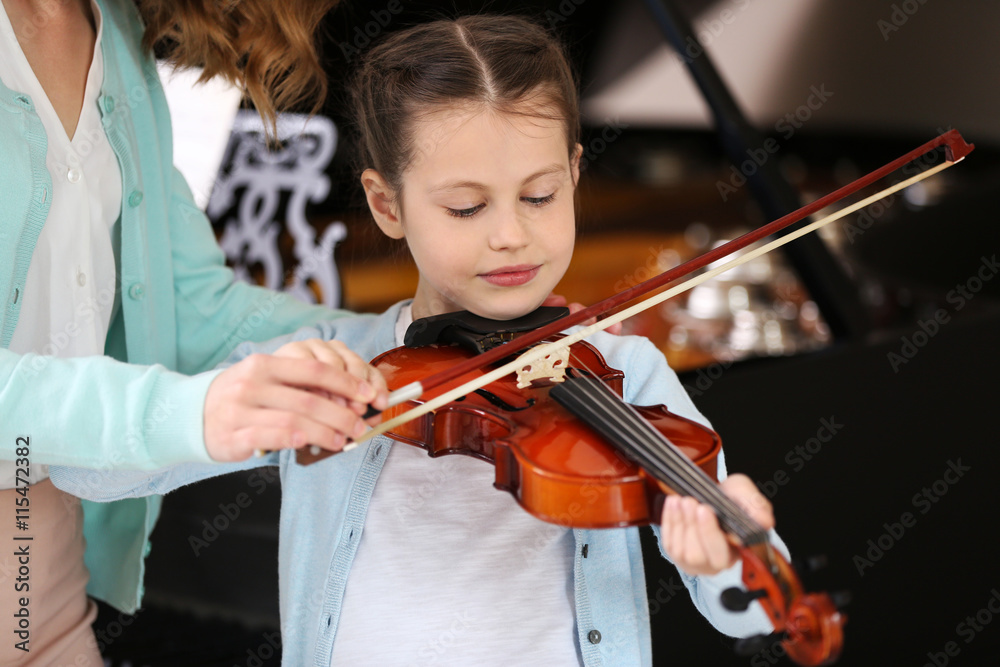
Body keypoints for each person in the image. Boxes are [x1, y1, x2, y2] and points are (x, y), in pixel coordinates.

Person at [53, 14, 784, 666]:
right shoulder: (341, 367)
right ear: (387, 204)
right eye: (466, 206)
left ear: (574, 173)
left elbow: (750, 603)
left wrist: (725, 555)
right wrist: (218, 409)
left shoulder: (623, 369)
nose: (510, 234)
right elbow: (87, 471)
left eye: (539, 195)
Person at [0, 0, 385, 663]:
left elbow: (195, 304)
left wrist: (419, 339)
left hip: (39, 560)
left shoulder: (111, 26)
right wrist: (186, 411)